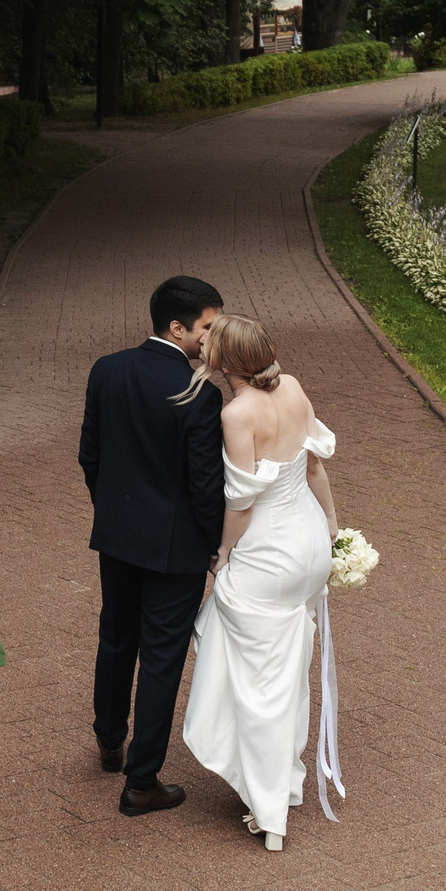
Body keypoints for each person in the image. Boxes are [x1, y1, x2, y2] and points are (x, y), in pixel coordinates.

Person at [180, 313, 344, 852]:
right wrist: (332, 521)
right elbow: (315, 468)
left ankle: (269, 808)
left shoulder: (237, 413)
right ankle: (282, 786)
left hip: (268, 555)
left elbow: (243, 503)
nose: (203, 345)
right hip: (308, 546)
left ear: (225, 360)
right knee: (287, 669)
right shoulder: (293, 387)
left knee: (260, 687)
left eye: (211, 343)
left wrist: (223, 554)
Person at [78, 274, 226, 817]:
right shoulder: (199, 397)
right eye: (208, 328)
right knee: (162, 657)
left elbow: (89, 456)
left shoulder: (107, 370)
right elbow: (206, 488)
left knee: (116, 637)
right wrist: (215, 548)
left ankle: (109, 740)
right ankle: (142, 783)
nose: (212, 338)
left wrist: (113, 513)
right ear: (176, 327)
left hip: (116, 536)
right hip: (176, 549)